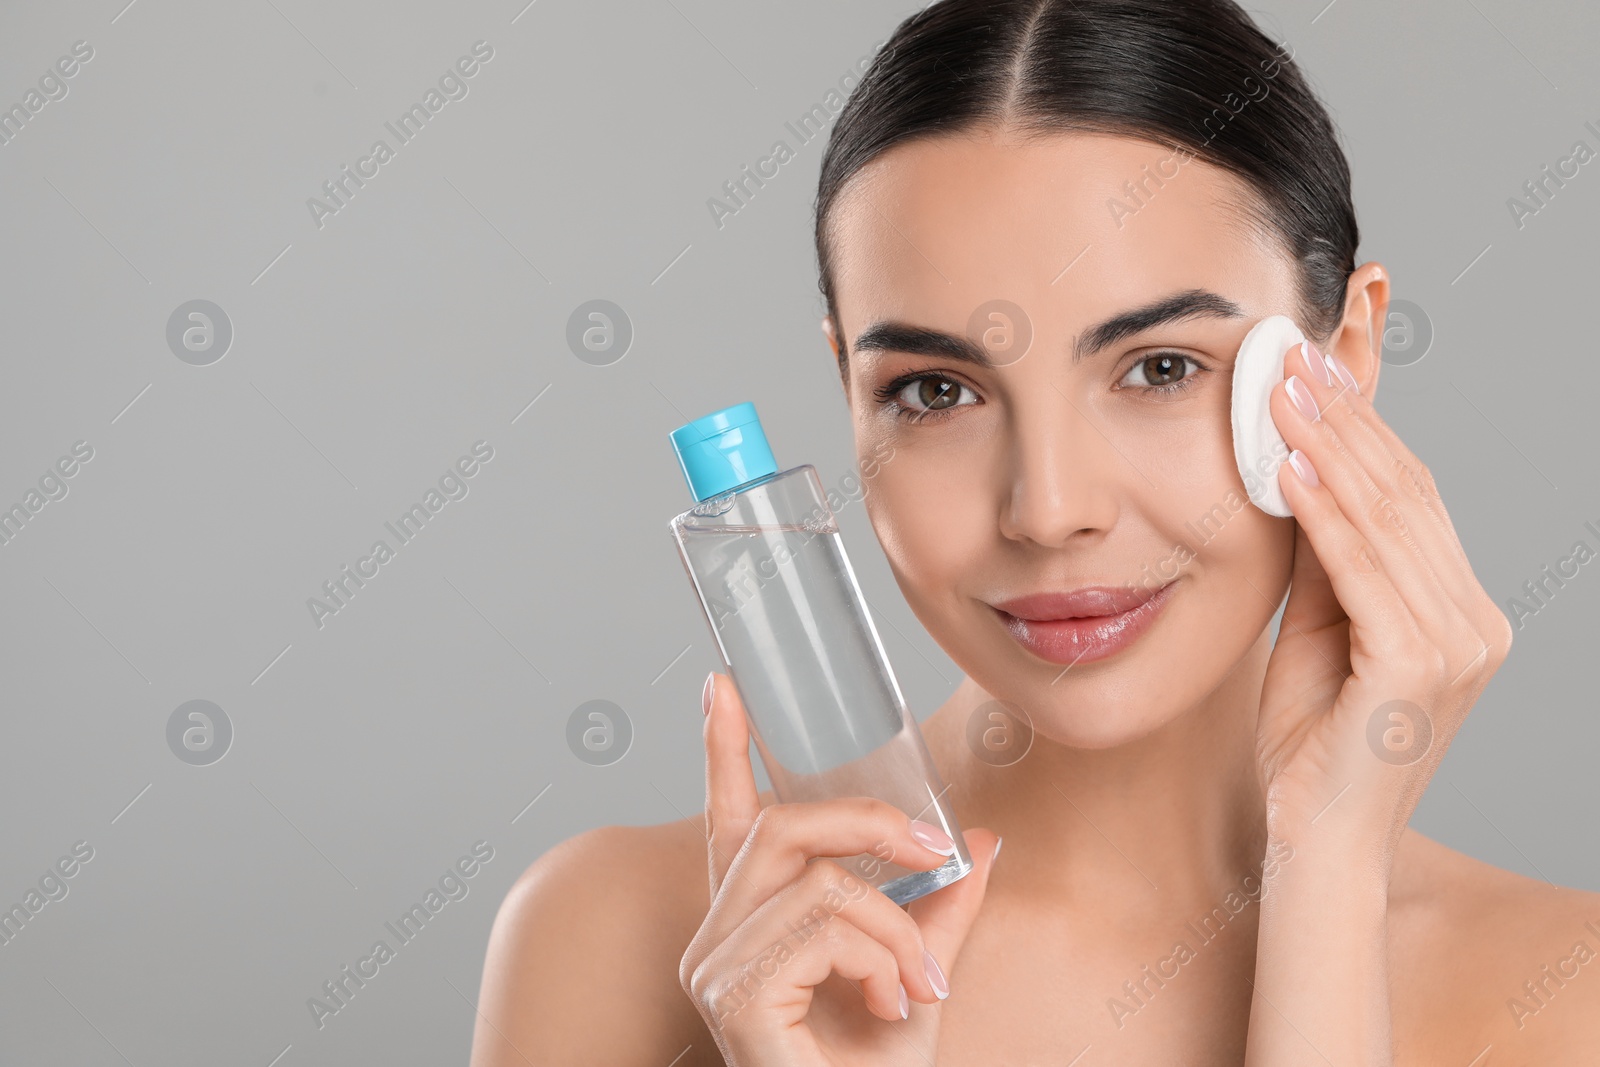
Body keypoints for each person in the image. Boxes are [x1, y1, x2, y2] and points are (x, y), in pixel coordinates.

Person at [469, 1, 1600, 1062]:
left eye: (1159, 368)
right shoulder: (614, 940)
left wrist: (1327, 884)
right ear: (846, 392)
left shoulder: (1566, 988)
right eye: (934, 392)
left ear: (1344, 361)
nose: (1048, 507)